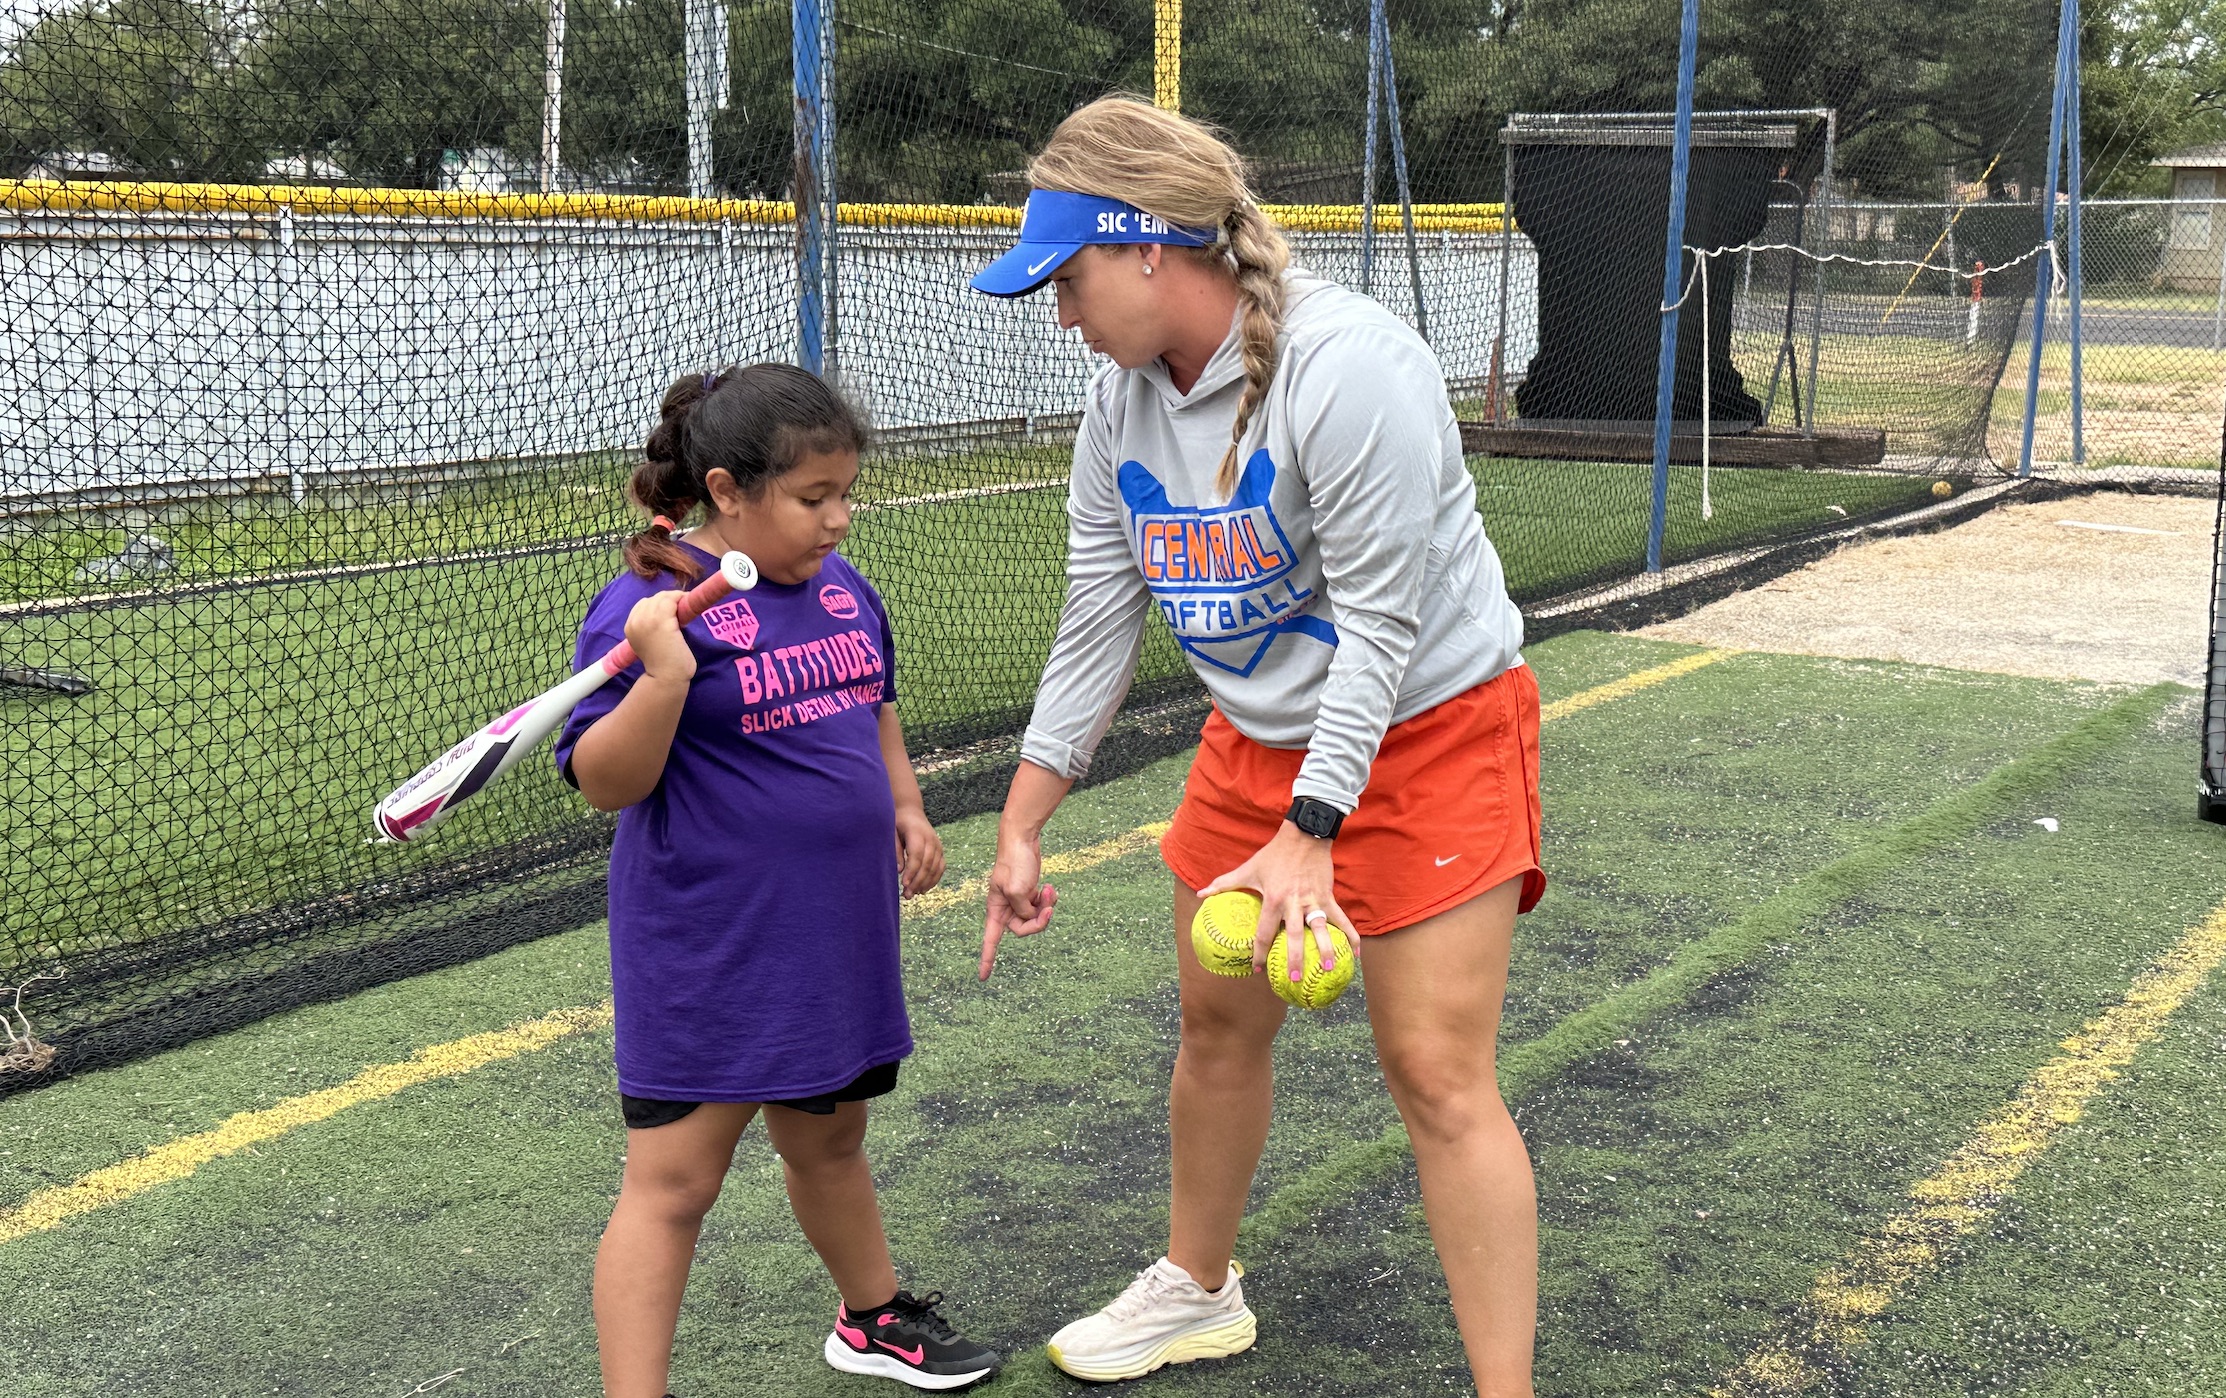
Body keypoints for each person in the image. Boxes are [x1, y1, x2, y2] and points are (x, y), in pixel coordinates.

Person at [970, 97, 1546, 1397]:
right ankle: (1197, 1286)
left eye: (1064, 283)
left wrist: (1311, 829)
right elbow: (1096, 621)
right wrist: (1022, 814)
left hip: (1429, 725)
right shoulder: (1120, 410)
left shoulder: (1352, 368)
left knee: (1436, 1071)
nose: (1059, 317)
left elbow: (1383, 628)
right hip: (1258, 735)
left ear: (1146, 252)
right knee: (1214, 1021)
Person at [556, 363, 1002, 1396]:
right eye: (814, 499)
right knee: (675, 1183)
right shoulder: (649, 609)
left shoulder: (845, 589)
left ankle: (873, 1317)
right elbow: (602, 780)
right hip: (712, 945)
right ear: (725, 491)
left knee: (833, 1137)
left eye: (847, 494)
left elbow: (874, 702)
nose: (839, 520)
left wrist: (904, 805)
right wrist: (663, 675)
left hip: (833, 929)